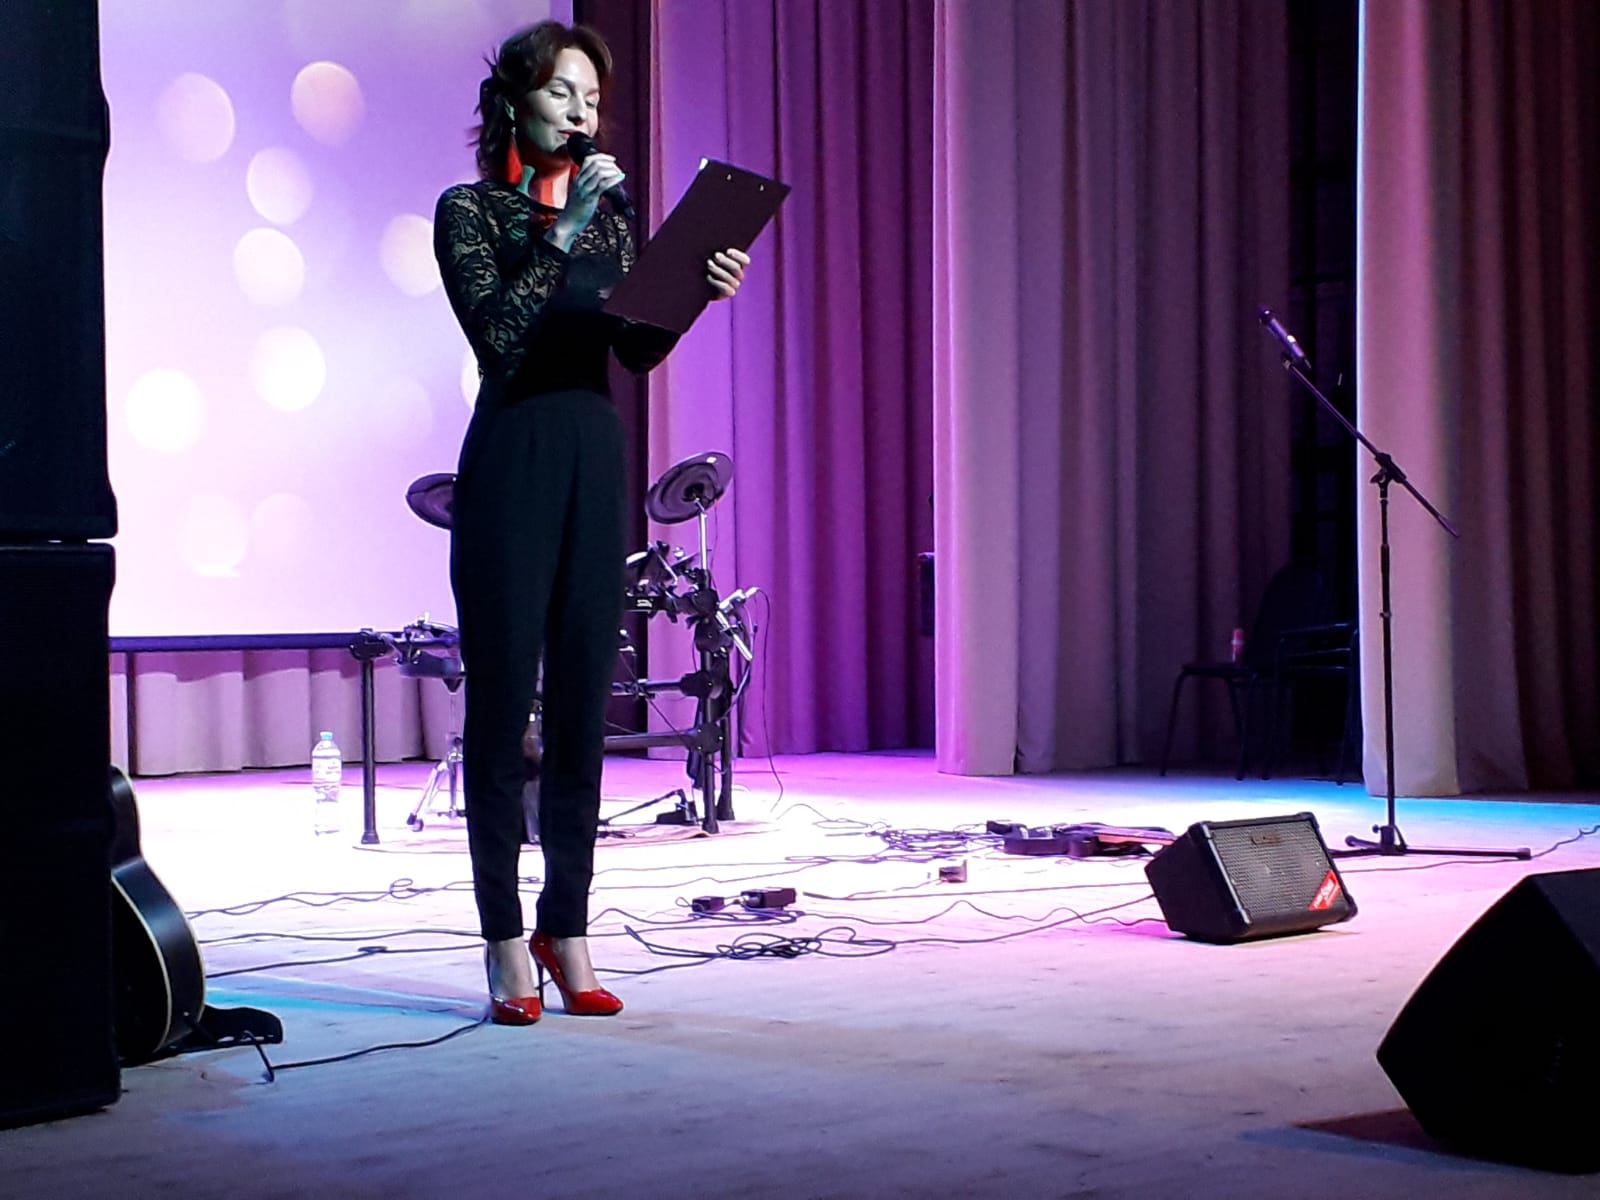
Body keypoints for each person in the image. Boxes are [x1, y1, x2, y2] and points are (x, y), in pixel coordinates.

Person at [433, 20, 749, 1024]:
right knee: (502, 709)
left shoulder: (612, 219)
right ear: (515, 102)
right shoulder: (470, 211)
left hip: (593, 453)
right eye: (564, 93)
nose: (583, 112)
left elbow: (635, 350)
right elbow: (501, 336)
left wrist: (694, 293)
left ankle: (565, 926)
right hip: (511, 457)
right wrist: (562, 227)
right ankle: (502, 938)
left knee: (583, 701)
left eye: (594, 99)